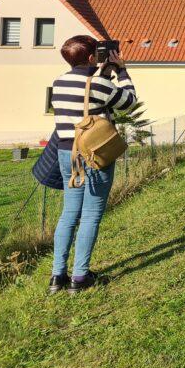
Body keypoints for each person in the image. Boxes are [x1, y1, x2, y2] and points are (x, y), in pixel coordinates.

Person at [48, 35, 137, 294]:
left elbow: (86, 97)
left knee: (69, 213)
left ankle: (57, 276)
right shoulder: (99, 84)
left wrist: (102, 72)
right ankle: (80, 277)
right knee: (91, 214)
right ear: (91, 57)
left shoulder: (59, 82)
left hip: (67, 152)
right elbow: (129, 102)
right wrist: (121, 71)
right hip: (94, 153)